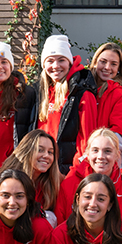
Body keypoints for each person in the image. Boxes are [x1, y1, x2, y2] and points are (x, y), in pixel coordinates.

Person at [33, 34, 98, 174]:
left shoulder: (82, 94)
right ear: (44, 65)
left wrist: (74, 174)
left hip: (66, 173)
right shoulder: (39, 93)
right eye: (50, 61)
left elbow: (87, 142)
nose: (55, 66)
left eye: (61, 60)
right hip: (42, 170)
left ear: (69, 62)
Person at [55, 128, 122, 228]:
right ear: (87, 154)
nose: (101, 156)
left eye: (107, 151)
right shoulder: (69, 184)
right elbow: (60, 227)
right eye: (95, 150)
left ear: (117, 155)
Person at [0, 41, 37, 174]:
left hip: (15, 168)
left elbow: (31, 131)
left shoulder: (25, 94)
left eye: (4, 62)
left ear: (11, 66)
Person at [0, 129, 62, 226]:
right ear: (27, 150)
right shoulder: (6, 181)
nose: (46, 156)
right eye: (40, 150)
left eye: (50, 152)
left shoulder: (55, 182)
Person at [90, 43, 122, 161]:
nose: (107, 67)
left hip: (104, 161)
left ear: (118, 69)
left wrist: (91, 154)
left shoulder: (121, 96)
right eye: (103, 61)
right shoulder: (83, 89)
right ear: (95, 62)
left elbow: (119, 139)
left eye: (113, 64)